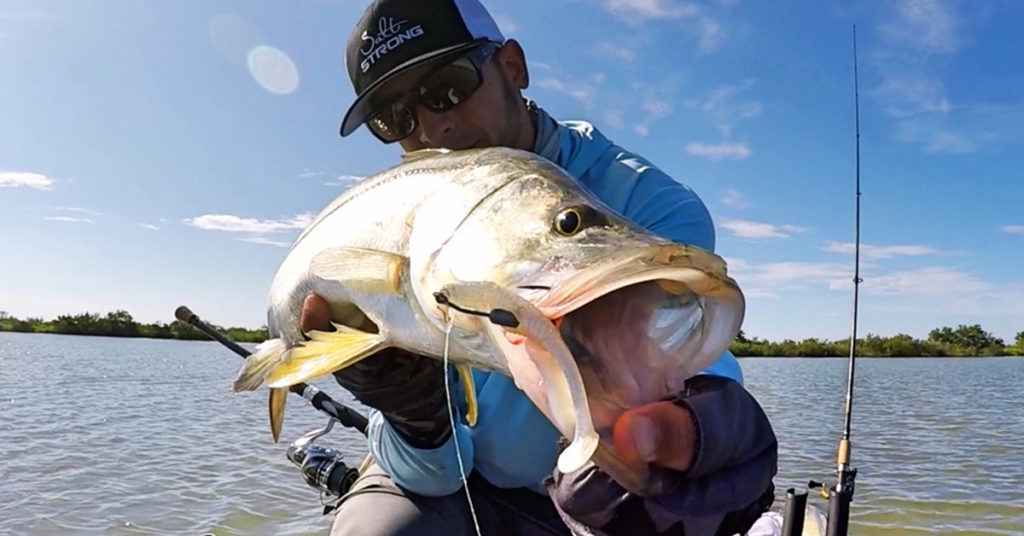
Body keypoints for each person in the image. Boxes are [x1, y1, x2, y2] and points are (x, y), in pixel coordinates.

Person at [302, 0, 778, 534]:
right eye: (396, 118)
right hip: (437, 480)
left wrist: (702, 422)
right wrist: (417, 418)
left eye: (448, 87)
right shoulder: (401, 229)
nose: (432, 128)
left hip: (562, 495)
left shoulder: (651, 207)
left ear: (511, 68)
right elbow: (431, 476)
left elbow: (663, 367)